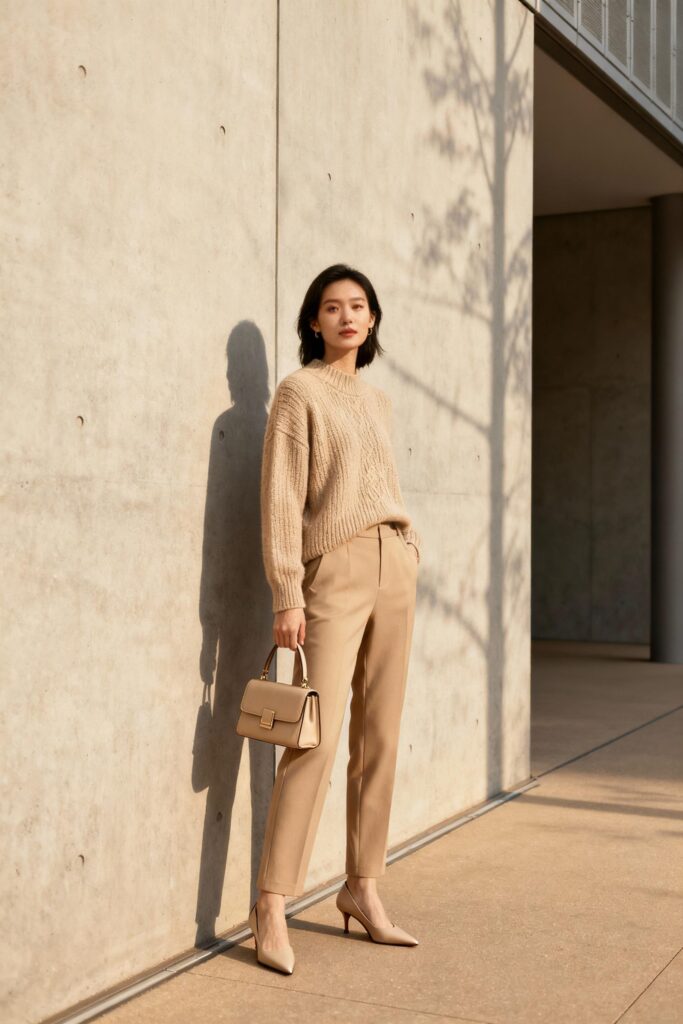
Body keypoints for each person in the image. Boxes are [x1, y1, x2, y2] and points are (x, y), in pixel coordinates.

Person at [248, 263, 421, 974]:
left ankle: (362, 887)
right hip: (335, 571)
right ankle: (269, 904)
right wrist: (286, 591)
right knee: (312, 742)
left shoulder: (377, 402)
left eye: (358, 306)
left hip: (394, 564)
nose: (346, 316)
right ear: (312, 322)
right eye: (331, 307)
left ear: (372, 320)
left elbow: (377, 485)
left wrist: (408, 547)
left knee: (379, 737)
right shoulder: (298, 393)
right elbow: (283, 498)